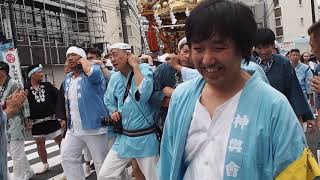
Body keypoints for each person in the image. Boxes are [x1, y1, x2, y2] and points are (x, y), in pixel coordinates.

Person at [157, 0, 307, 179]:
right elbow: (168, 161)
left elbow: (293, 171)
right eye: (198, 48)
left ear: (243, 48)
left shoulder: (274, 106)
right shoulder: (182, 96)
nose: (206, 60)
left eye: (218, 48)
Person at [99, 42, 159, 180]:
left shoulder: (143, 69)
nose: (112, 60)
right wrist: (113, 110)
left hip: (145, 138)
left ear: (128, 55)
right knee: (105, 175)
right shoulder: (114, 76)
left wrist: (136, 66)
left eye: (115, 55)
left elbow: (143, 94)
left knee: (154, 177)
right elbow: (108, 99)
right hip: (124, 137)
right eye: (110, 56)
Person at [60, 46, 109, 180]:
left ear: (82, 58)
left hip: (94, 127)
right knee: (67, 157)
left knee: (101, 163)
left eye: (74, 55)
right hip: (74, 129)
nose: (69, 58)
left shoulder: (94, 71)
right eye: (68, 56)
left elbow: (94, 76)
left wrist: (87, 63)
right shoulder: (68, 78)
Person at [254, 28, 315, 127]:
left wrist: (307, 116)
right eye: (259, 48)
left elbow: (294, 90)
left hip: (280, 114)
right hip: (256, 114)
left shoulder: (283, 63)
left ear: (273, 45)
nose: (263, 52)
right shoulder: (250, 64)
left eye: (266, 47)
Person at [25, 64, 62, 174]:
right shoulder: (25, 89)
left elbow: (59, 97)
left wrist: (61, 116)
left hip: (52, 119)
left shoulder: (47, 85)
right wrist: (26, 120)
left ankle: (67, 160)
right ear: (32, 75)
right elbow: (24, 107)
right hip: (37, 122)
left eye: (42, 72)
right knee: (40, 144)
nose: (42, 74)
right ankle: (45, 164)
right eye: (39, 72)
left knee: (60, 141)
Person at [0, 62, 33, 180]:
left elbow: (24, 102)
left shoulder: (14, 84)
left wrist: (27, 118)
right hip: (4, 122)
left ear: (3, 71)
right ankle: (28, 171)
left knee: (15, 152)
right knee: (13, 151)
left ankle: (18, 177)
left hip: (16, 121)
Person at [0, 88, 28, 180]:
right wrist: (8, 110)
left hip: (16, 125)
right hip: (7, 126)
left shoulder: (14, 84)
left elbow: (25, 104)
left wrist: (5, 104)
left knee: (16, 153)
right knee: (16, 153)